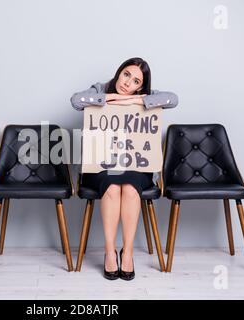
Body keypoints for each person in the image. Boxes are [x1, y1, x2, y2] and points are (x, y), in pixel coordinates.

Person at [70, 57, 178, 280]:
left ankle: (127, 252)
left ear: (141, 86)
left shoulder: (147, 96)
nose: (128, 83)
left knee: (129, 187)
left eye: (136, 81)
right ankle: (110, 251)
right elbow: (76, 101)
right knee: (111, 187)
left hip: (135, 163)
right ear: (119, 72)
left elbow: (173, 99)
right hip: (101, 165)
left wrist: (137, 100)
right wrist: (111, 98)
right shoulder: (100, 89)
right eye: (127, 74)